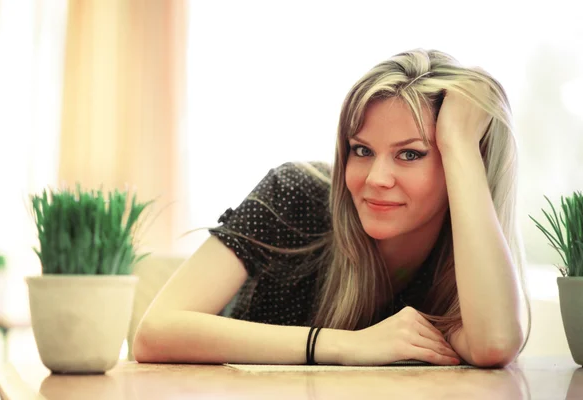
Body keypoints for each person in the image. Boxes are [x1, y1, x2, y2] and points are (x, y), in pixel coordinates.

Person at [133, 48, 530, 367]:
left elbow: (494, 344)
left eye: (410, 154)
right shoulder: (296, 193)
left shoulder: (462, 261)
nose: (376, 178)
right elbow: (156, 332)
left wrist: (460, 144)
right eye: (362, 150)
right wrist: (343, 346)